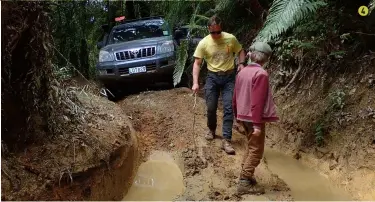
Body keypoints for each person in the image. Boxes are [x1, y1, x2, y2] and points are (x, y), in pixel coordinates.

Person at [191, 15, 246, 155]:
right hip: (212, 77)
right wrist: (195, 83)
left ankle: (226, 140)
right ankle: (211, 129)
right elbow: (197, 64)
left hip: (229, 77)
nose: (215, 35)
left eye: (218, 32)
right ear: (208, 29)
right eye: (212, 32)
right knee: (211, 107)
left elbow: (240, 51)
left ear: (221, 29)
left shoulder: (230, 39)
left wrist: (241, 63)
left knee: (228, 108)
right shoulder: (204, 43)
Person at [232, 42, 279, 194]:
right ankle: (244, 182)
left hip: (243, 116)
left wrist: (236, 117)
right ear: (265, 58)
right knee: (256, 151)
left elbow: (235, 97)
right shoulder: (261, 75)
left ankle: (246, 174)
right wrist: (258, 125)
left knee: (251, 147)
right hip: (253, 118)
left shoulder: (242, 72)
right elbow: (257, 102)